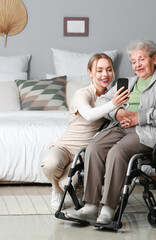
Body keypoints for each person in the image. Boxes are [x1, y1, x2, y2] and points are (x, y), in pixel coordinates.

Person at [66, 39, 156, 224]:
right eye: (133, 62)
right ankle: (90, 206)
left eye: (141, 60)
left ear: (154, 59)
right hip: (121, 127)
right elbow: (102, 101)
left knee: (117, 151)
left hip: (146, 132)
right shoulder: (128, 82)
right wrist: (118, 111)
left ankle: (108, 208)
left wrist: (141, 117)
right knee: (94, 146)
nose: (137, 65)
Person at [41, 53, 129, 209]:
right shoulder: (82, 94)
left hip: (84, 153)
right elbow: (88, 115)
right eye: (99, 70)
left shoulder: (111, 96)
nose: (105, 75)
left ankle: (76, 188)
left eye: (109, 70)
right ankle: (55, 190)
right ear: (90, 73)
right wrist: (114, 104)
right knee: (50, 164)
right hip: (65, 147)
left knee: (68, 183)